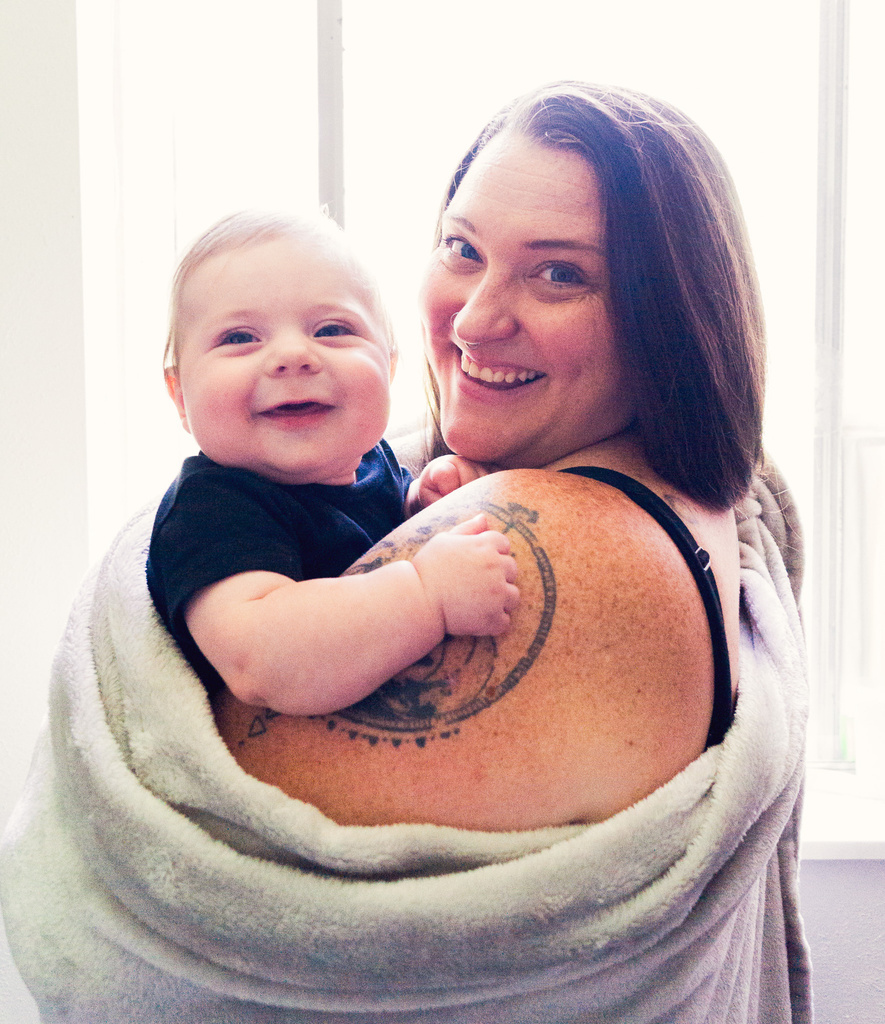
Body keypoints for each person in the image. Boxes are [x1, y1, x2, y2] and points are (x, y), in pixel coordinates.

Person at [0, 84, 811, 1023]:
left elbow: (185, 889)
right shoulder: (693, 488)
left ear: (664, 321)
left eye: (559, 275)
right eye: (462, 249)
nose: (473, 321)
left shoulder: (553, 549)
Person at [147, 210, 519, 717]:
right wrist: (426, 593)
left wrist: (420, 505)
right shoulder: (212, 509)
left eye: (331, 329)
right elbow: (262, 659)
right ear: (180, 398)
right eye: (239, 338)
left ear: (388, 368)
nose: (293, 355)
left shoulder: (374, 462)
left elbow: (373, 537)